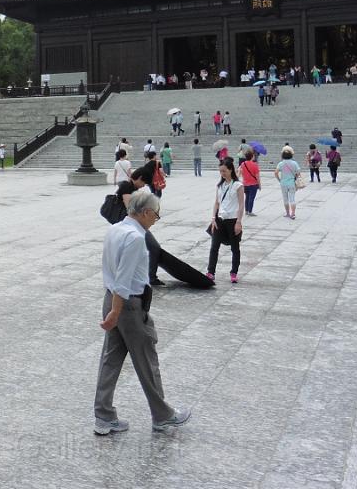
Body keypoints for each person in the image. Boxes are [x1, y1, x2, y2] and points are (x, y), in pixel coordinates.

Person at [92, 191, 190, 436]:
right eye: (156, 215)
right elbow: (124, 280)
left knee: (111, 359)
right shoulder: (136, 238)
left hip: (111, 298)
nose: (156, 219)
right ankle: (163, 416)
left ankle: (103, 416)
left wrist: (112, 309)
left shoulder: (115, 229)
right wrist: (116, 311)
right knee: (146, 360)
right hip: (127, 304)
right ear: (145, 212)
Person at [208, 157, 244, 283]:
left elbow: (241, 205)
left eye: (224, 171)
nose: (222, 174)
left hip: (233, 220)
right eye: (220, 171)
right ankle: (210, 272)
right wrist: (213, 218)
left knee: (235, 247)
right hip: (220, 219)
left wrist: (239, 222)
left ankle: (234, 272)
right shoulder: (220, 185)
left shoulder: (238, 185)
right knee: (214, 247)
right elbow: (216, 203)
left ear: (230, 170)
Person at [274, 147, 301, 219]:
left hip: (283, 183)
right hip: (291, 182)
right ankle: (293, 213)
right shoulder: (294, 163)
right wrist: (295, 177)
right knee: (292, 198)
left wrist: (279, 179)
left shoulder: (281, 163)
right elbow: (298, 172)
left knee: (285, 199)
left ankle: (288, 213)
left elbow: (276, 172)